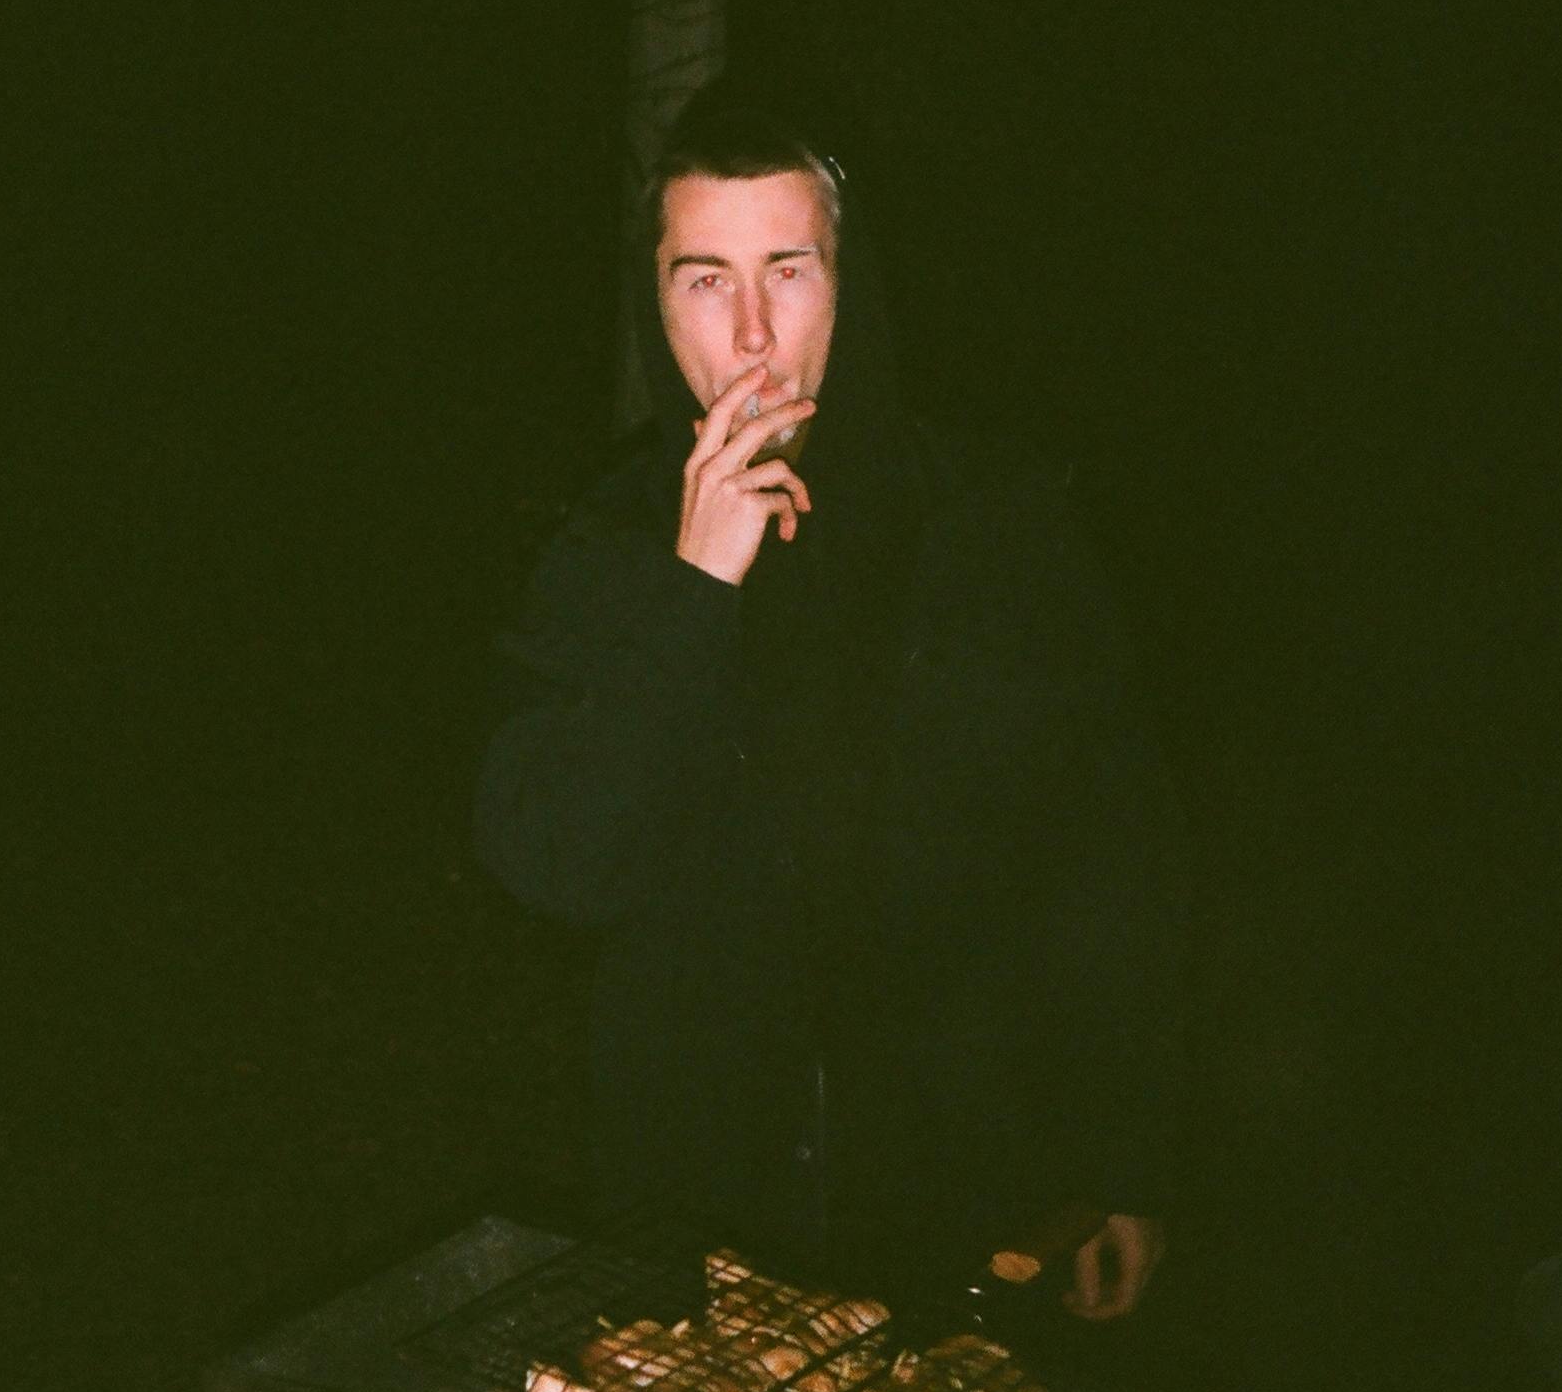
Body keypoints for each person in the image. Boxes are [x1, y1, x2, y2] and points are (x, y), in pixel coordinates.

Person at [473, 78, 1187, 1319]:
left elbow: (1110, 858)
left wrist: (1124, 1160)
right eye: (704, 278)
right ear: (655, 300)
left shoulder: (997, 524)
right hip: (694, 1217)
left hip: (967, 1202)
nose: (749, 332)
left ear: (847, 284)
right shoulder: (603, 551)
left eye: (786, 269)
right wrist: (693, 586)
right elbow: (557, 866)